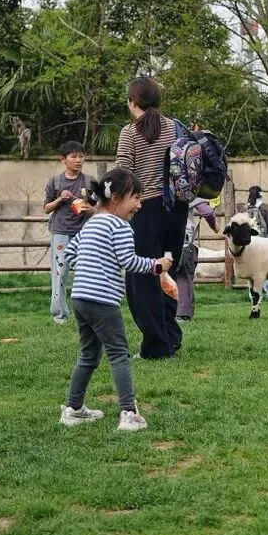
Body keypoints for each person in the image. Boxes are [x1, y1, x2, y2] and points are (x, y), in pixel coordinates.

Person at [58, 168, 172, 432]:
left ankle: (73, 409)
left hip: (81, 298)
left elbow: (69, 253)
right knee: (120, 355)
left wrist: (89, 268)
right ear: (118, 198)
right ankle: (129, 413)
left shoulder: (92, 223)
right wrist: (159, 265)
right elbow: (129, 262)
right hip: (102, 302)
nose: (139, 205)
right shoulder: (120, 226)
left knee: (88, 355)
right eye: (136, 198)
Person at [115, 76, 188, 359]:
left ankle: (157, 346)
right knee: (166, 271)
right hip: (177, 210)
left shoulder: (130, 133)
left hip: (145, 211)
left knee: (143, 276)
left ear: (133, 102)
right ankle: (170, 336)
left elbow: (123, 174)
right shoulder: (175, 128)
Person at [43, 141, 96, 324]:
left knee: (88, 275)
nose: (78, 160)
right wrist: (60, 199)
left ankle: (88, 315)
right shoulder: (55, 182)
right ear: (63, 159)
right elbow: (46, 208)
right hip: (61, 233)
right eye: (73, 156)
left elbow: (99, 207)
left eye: (81, 156)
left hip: (85, 234)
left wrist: (89, 209)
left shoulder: (89, 181)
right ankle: (59, 315)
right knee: (59, 275)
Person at [175, 198, 218, 321]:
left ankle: (166, 311)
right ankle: (183, 314)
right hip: (184, 241)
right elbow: (207, 212)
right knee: (184, 275)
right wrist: (215, 225)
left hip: (164, 242)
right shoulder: (187, 191)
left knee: (166, 274)